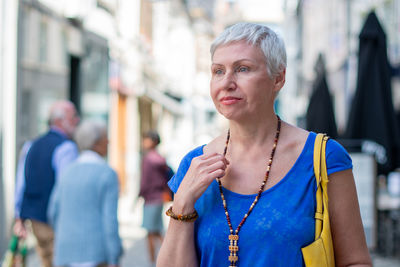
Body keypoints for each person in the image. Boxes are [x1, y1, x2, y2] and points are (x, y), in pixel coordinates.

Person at [157, 22, 372, 267]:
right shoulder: (194, 165)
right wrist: (182, 203)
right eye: (218, 71)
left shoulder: (323, 158)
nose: (227, 82)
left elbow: (356, 261)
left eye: (243, 69)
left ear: (278, 78)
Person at [13, 100, 80, 267]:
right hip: (57, 221)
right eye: (73, 117)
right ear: (59, 120)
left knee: (46, 262)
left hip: (35, 219)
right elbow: (66, 188)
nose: (76, 121)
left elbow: (21, 182)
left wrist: (19, 216)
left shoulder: (30, 145)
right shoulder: (66, 148)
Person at [48, 119, 123, 267]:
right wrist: (114, 255)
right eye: (105, 138)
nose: (108, 141)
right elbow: (110, 220)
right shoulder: (107, 174)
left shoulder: (67, 171)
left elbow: (53, 212)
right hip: (96, 253)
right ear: (95, 143)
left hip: (65, 252)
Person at [139, 131, 169, 264]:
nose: (143, 142)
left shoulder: (149, 159)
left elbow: (144, 181)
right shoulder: (160, 159)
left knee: (151, 232)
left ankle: (153, 261)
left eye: (145, 139)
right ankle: (167, 257)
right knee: (156, 230)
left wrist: (139, 195)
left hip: (150, 198)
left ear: (151, 141)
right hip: (159, 197)